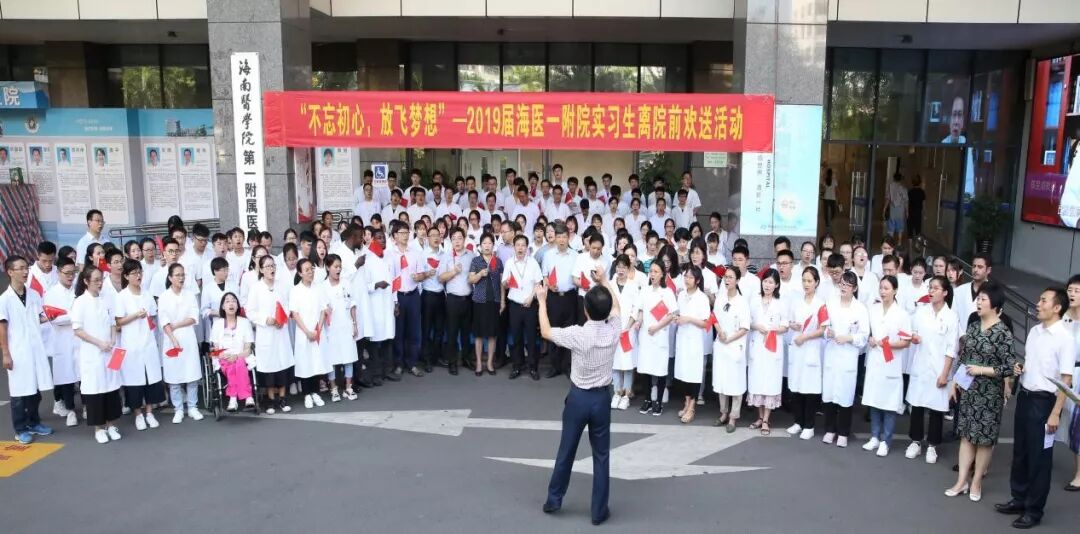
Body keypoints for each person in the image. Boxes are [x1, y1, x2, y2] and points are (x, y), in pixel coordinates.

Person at [537, 263, 620, 526]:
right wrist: (605, 280)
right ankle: (599, 511)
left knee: (567, 450)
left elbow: (546, 331)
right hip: (602, 398)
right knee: (602, 456)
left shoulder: (579, 334)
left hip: (578, 398)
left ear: (585, 310)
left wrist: (542, 301)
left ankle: (554, 499)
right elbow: (617, 308)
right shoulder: (614, 328)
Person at [996, 288, 1075, 529]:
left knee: (1039, 458)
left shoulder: (1065, 338)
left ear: (1057, 307)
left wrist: (1055, 413)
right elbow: (1033, 363)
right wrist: (1020, 369)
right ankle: (1018, 499)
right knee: (1020, 452)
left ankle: (1033, 510)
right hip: (1026, 397)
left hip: (1045, 403)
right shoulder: (1034, 331)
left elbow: (1066, 380)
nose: (1038, 304)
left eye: (1043, 300)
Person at [944, 282, 1015, 502]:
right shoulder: (974, 326)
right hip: (969, 391)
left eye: (983, 299)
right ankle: (961, 481)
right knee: (966, 437)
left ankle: (976, 482)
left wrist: (982, 370)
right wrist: (954, 383)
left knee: (984, 440)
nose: (979, 302)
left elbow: (1008, 367)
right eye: (978, 298)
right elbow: (964, 357)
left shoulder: (1003, 332)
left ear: (995, 304)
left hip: (990, 394)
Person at [1, 255, 55, 444]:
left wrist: (51, 316)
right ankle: (20, 428)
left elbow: (38, 317)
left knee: (35, 389)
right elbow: (2, 328)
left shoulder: (33, 294)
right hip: (17, 350)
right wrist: (6, 354)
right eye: (21, 268)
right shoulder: (4, 299)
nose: (25, 272)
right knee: (19, 392)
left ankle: (34, 422)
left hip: (35, 348)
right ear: (10, 272)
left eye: (26, 268)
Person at [904, 275, 957, 464]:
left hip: (939, 368)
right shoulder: (922, 312)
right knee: (917, 405)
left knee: (936, 409)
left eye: (936, 288)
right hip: (921, 365)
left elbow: (951, 349)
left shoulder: (951, 317)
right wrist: (914, 337)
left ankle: (933, 445)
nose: (931, 291)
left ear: (945, 292)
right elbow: (914, 331)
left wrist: (945, 374)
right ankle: (915, 441)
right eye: (930, 287)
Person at [861, 275, 912, 457]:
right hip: (875, 360)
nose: (883, 291)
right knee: (874, 400)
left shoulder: (902, 314)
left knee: (889, 404)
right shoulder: (873, 310)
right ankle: (874, 436)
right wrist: (871, 340)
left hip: (891, 361)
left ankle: (886, 440)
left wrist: (887, 344)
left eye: (887, 288)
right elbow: (867, 332)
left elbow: (906, 341)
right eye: (881, 288)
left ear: (895, 290)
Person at [70, 266, 122, 444]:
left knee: (111, 388)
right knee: (95, 390)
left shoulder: (106, 299)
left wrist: (113, 339)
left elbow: (113, 322)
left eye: (101, 279)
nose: (99, 283)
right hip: (92, 352)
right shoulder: (80, 302)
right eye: (96, 280)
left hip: (110, 350)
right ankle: (98, 428)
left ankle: (111, 425)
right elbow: (78, 330)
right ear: (86, 281)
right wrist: (99, 343)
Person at [113, 259, 164, 431]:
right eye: (134, 273)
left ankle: (149, 412)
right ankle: (138, 414)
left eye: (139, 272)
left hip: (148, 342)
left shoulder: (147, 294)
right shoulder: (121, 297)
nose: (138, 275)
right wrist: (135, 315)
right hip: (131, 344)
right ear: (126, 276)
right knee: (134, 381)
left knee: (151, 379)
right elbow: (119, 321)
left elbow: (152, 316)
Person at [821, 271, 870, 448]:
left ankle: (843, 432)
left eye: (848, 285)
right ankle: (829, 429)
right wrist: (828, 332)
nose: (844, 287)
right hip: (831, 354)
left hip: (848, 356)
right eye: (842, 284)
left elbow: (864, 336)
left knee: (845, 396)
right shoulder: (831, 303)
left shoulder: (860, 309)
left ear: (854, 288)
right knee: (829, 394)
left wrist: (849, 338)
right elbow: (823, 327)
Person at [159, 264, 202, 424]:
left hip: (188, 336)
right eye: (177, 275)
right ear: (170, 278)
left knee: (191, 374)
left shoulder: (189, 295)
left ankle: (192, 407)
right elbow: (163, 320)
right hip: (170, 339)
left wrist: (176, 325)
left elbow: (194, 317)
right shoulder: (164, 296)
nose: (181, 278)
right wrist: (173, 338)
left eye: (183, 275)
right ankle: (178, 409)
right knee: (174, 376)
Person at [786, 266, 826, 440]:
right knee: (796, 385)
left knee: (809, 388)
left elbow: (823, 329)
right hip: (797, 347)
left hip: (811, 348)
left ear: (816, 282)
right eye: (804, 280)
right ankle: (798, 422)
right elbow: (790, 321)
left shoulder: (821, 304)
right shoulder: (796, 301)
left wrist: (805, 337)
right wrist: (793, 325)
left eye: (810, 281)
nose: (806, 284)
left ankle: (809, 425)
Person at [637, 261, 678, 416]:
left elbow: (672, 314)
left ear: (662, 274)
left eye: (656, 271)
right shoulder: (645, 290)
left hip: (660, 334)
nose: (652, 274)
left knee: (660, 369)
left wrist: (657, 327)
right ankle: (647, 399)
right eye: (651, 271)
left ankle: (658, 402)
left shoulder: (667, 293)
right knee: (645, 368)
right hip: (646, 334)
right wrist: (638, 322)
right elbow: (640, 309)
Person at [711, 266, 750, 432]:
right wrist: (720, 332)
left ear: (738, 280)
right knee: (722, 380)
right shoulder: (720, 298)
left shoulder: (742, 302)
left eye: (731, 277)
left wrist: (729, 338)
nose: (727, 280)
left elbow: (744, 328)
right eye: (725, 277)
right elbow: (714, 317)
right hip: (721, 344)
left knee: (735, 382)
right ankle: (723, 413)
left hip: (735, 345)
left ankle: (733, 417)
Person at [290, 259, 331, 409]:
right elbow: (295, 313)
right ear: (300, 273)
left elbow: (323, 310)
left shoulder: (319, 288)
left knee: (316, 362)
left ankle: (315, 392)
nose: (310, 272)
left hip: (317, 330)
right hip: (303, 332)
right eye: (306, 270)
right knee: (305, 362)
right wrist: (307, 331)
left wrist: (317, 329)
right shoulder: (295, 290)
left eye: (311, 269)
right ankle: (307, 394)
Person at [672, 266, 711, 424]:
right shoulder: (681, 295)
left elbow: (705, 323)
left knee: (693, 374)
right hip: (682, 338)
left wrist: (688, 319)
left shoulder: (702, 298)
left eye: (690, 277)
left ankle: (692, 407)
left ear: (697, 280)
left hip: (694, 340)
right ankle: (686, 402)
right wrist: (677, 318)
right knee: (684, 373)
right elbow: (678, 313)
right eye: (685, 276)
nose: (687, 279)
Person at [44, 257, 80, 427]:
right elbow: (54, 320)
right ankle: (70, 410)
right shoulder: (51, 294)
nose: (71, 276)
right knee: (66, 377)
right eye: (67, 273)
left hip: (80, 338)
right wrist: (74, 315)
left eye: (73, 273)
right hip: (62, 340)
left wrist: (66, 314)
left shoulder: (79, 290)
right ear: (58, 272)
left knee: (83, 375)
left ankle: (86, 406)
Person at [503, 234, 543, 380]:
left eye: (523, 245)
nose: (520, 248)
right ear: (514, 247)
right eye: (518, 245)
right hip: (514, 306)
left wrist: (531, 297)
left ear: (527, 248)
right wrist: (506, 282)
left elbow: (538, 283)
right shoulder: (509, 263)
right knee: (516, 337)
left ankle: (533, 367)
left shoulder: (533, 263)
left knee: (531, 338)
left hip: (530, 305)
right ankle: (517, 366)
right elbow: (504, 284)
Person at [211, 292, 255, 411]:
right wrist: (224, 355)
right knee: (231, 366)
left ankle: (233, 398)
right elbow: (216, 349)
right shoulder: (217, 324)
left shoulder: (245, 322)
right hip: (224, 357)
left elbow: (248, 349)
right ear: (223, 307)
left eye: (234, 301)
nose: (231, 303)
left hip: (242, 356)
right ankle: (247, 396)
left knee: (239, 363)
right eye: (227, 301)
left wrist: (237, 356)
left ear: (237, 305)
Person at [323, 254, 359, 401]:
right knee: (332, 358)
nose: (338, 269)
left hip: (346, 324)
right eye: (335, 267)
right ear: (328, 267)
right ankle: (334, 389)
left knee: (348, 356)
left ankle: (349, 387)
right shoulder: (323, 287)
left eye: (340, 267)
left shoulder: (346, 283)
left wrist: (355, 324)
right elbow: (322, 309)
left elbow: (352, 304)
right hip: (331, 328)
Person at [469, 233, 502, 376]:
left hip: (494, 301)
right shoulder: (476, 261)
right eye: (484, 243)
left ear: (493, 245)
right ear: (480, 246)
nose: (487, 246)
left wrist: (502, 301)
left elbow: (501, 283)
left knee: (492, 334)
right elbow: (470, 280)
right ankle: (478, 363)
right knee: (479, 334)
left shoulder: (498, 261)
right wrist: (480, 274)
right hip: (479, 301)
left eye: (489, 243)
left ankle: (489, 363)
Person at [1062, 275, 1080, 492]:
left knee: (1077, 426)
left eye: (1077, 290)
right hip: (1061, 374)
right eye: (1070, 290)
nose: (1072, 294)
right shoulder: (1061, 317)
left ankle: (1079, 474)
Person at [908, 175, 926, 239]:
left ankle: (910, 244)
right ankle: (916, 244)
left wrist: (906, 212)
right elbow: (924, 204)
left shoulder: (910, 192)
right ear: (920, 182)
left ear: (912, 182)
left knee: (910, 230)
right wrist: (924, 214)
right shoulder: (922, 192)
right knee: (918, 230)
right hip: (918, 213)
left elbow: (907, 203)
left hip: (911, 212)